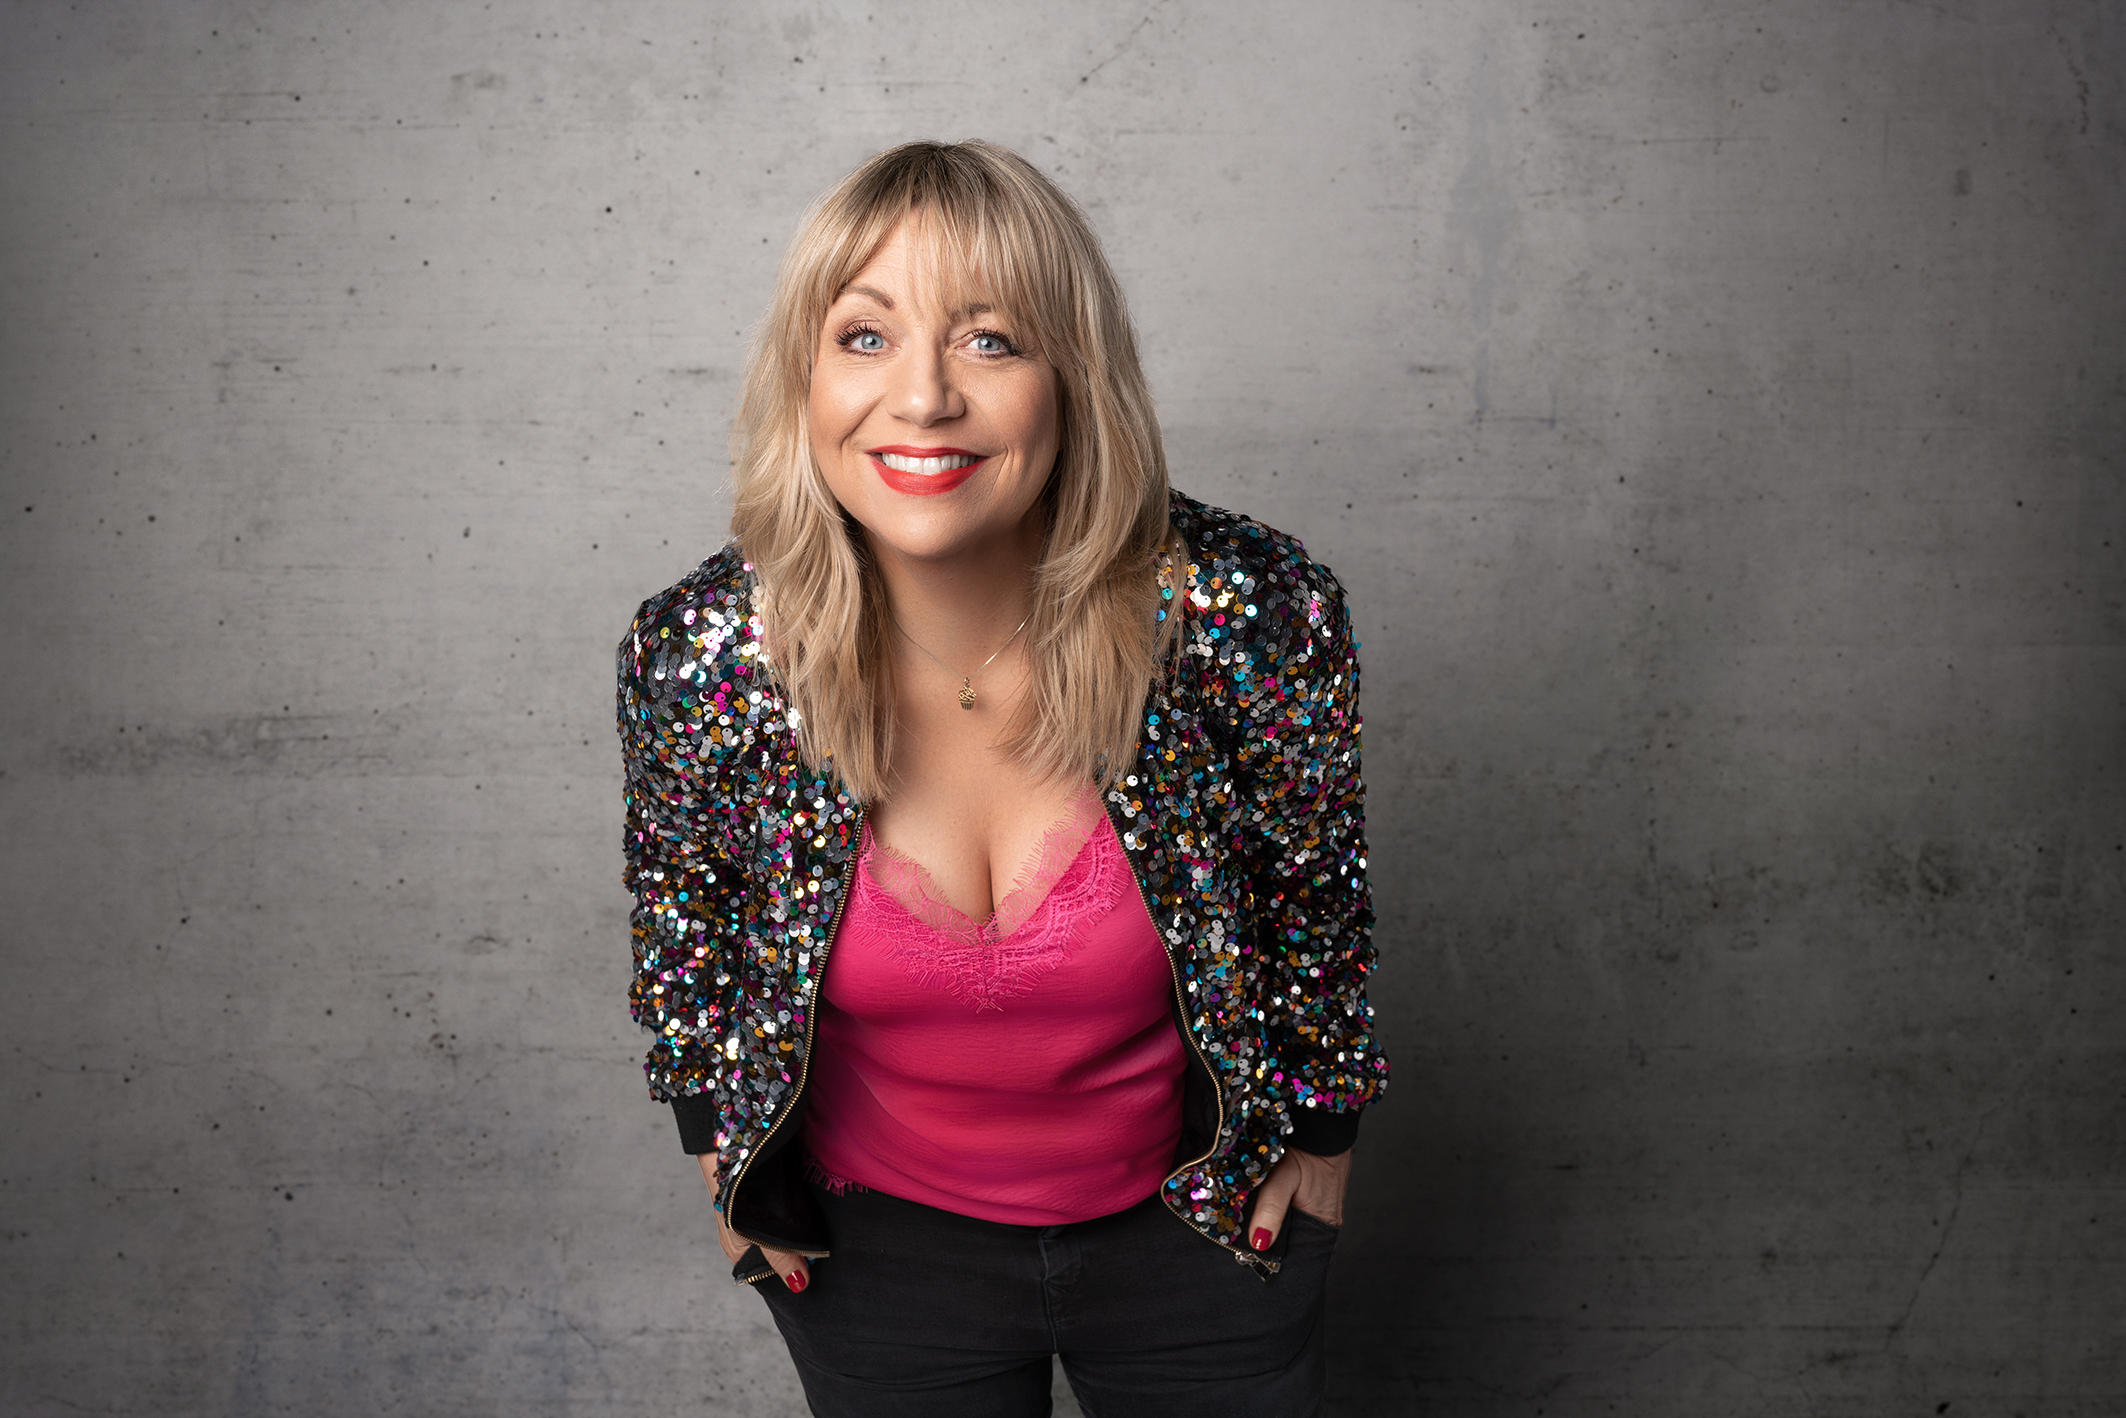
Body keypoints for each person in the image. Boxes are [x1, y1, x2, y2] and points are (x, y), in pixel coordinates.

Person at [617, 139, 1388, 1417]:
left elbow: (1314, 892)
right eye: (864, 336)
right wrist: (717, 1149)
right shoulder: (704, 653)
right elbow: (684, 918)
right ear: (804, 375)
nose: (922, 398)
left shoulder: (1248, 612)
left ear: (1072, 378)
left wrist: (1323, 1137)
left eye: (988, 340)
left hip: (1203, 1227)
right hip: (872, 1255)